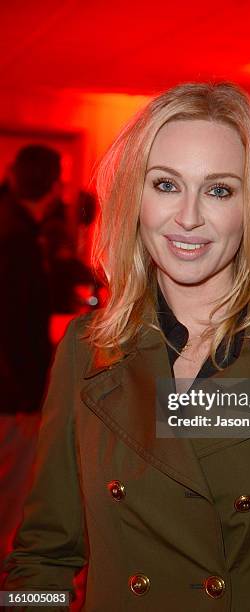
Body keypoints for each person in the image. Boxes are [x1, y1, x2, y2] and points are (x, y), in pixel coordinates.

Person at [3, 83, 250, 611]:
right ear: (134, 196)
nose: (188, 216)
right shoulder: (88, 349)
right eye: (166, 184)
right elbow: (41, 558)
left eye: (219, 190)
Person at [0, 145, 59, 570]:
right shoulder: (13, 233)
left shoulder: (21, 226)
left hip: (14, 387)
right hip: (11, 391)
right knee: (12, 498)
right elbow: (16, 319)